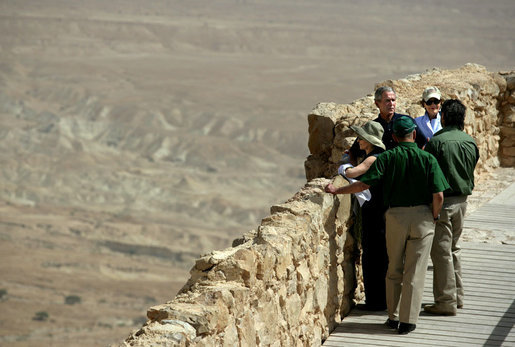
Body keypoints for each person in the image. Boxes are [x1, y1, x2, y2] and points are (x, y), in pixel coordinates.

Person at [325, 116, 449, 335]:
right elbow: (438, 195)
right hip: (422, 217)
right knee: (415, 271)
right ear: (413, 134)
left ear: (393, 137)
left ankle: (392, 316)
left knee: (394, 268)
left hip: (394, 217)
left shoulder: (386, 158)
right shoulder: (428, 158)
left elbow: (363, 184)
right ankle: (408, 321)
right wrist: (434, 216)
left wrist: (337, 190)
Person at [423, 99, 480, 316]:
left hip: (443, 203)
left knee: (441, 253)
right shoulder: (470, 141)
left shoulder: (437, 142)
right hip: (462, 202)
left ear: (443, 117)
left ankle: (445, 302)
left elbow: (429, 173)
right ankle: (458, 296)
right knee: (454, 249)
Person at [341, 121, 387, 311]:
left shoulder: (372, 159)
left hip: (374, 214)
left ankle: (376, 301)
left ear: (370, 140)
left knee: (373, 256)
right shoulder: (374, 156)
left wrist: (343, 168)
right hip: (377, 213)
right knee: (375, 255)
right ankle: (377, 299)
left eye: (361, 138)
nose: (358, 141)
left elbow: (353, 173)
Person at [348, 86, 425, 165]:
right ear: (377, 104)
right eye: (387, 101)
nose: (391, 104)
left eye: (393, 100)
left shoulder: (406, 122)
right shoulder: (372, 127)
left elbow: (423, 143)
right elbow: (353, 151)